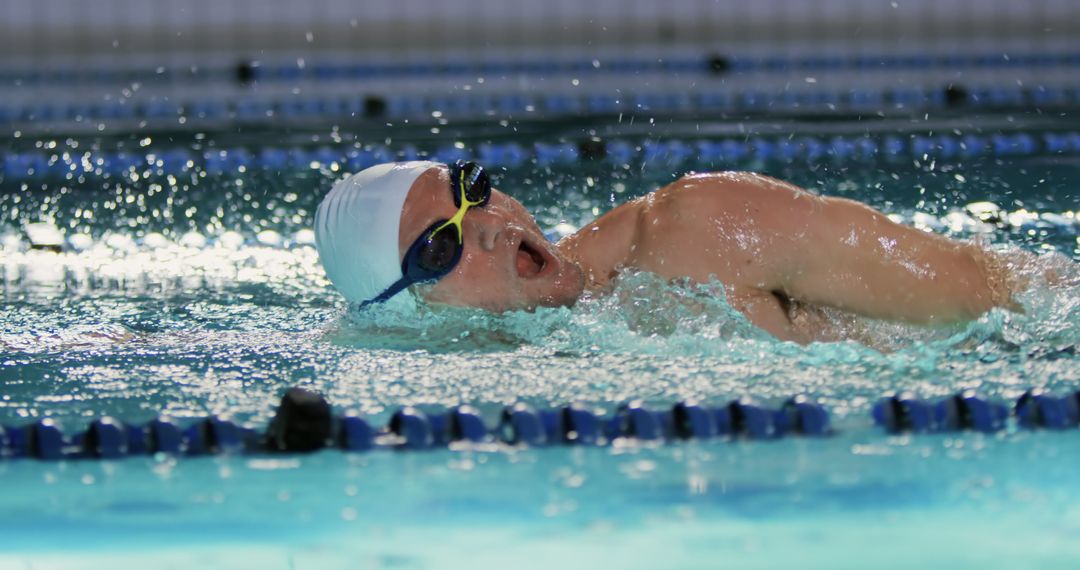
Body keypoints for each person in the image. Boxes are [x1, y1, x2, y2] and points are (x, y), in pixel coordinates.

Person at [314, 160, 1028, 344]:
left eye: (474, 189)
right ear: (404, 312)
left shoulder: (700, 228)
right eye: (443, 247)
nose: (495, 225)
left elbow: (992, 291)